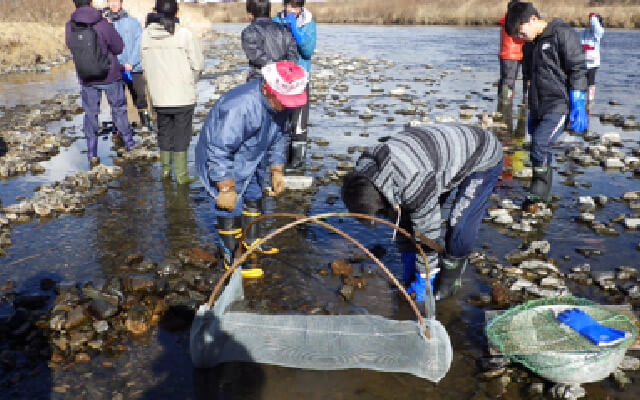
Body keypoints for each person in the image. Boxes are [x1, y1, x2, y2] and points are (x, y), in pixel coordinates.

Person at [341, 124, 503, 301]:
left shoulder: (413, 181)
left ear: (380, 198)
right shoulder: (365, 171)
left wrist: (425, 276)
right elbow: (401, 217)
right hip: (436, 159)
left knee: (459, 225)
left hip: (482, 154)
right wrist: (408, 253)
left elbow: (427, 234)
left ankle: (451, 276)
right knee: (414, 215)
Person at [195, 61, 308, 278]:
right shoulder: (240, 107)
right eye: (284, 101)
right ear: (267, 88)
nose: (287, 106)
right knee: (230, 206)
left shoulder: (280, 106)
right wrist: (225, 187)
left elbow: (278, 136)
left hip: (254, 152)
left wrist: (276, 169)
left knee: (255, 193)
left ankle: (252, 241)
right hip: (226, 159)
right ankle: (232, 258)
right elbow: (218, 150)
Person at [505, 2, 587, 207]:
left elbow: (577, 67)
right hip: (538, 105)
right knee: (539, 147)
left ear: (533, 19)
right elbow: (529, 76)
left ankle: (538, 191)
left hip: (559, 104)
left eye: (521, 32)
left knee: (540, 144)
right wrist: (529, 104)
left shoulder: (562, 34)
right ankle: (542, 193)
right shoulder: (530, 44)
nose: (520, 37)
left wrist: (578, 100)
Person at [65, 0, 135, 168]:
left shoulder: (70, 25)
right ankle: (130, 145)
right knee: (118, 109)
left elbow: (70, 45)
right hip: (109, 74)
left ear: (74, 3)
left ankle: (92, 154)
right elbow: (118, 47)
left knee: (90, 114)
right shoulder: (102, 22)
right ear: (90, 2)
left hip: (86, 76)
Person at [141, 0, 204, 184]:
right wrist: (189, 81)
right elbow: (198, 65)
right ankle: (182, 175)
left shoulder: (146, 35)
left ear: (156, 11)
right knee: (181, 136)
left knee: (164, 132)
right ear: (177, 12)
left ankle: (165, 172)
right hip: (182, 95)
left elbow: (144, 64)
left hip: (159, 96)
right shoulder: (184, 34)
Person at [272, 0, 316, 170]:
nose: (291, 10)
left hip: (300, 80)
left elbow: (308, 50)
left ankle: (297, 162)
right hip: (281, 80)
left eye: (295, 6)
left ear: (301, 6)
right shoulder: (276, 21)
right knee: (281, 121)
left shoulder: (308, 23)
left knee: (298, 121)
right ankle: (280, 159)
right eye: (288, 5)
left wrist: (296, 31)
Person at [105, 0, 152, 130]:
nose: (113, 4)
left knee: (140, 97)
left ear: (121, 2)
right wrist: (116, 63)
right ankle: (120, 127)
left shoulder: (133, 22)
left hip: (134, 68)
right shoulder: (104, 24)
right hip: (115, 69)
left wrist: (131, 62)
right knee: (117, 100)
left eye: (116, 1)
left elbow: (139, 44)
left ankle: (146, 124)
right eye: (110, 1)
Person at [241, 0, 298, 82]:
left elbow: (255, 56)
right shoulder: (285, 30)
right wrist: (283, 69)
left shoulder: (249, 31)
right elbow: (293, 56)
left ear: (250, 14)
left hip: (259, 80)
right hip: (283, 80)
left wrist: (274, 67)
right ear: (269, 11)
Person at [498, 0, 524, 105]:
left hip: (507, 54)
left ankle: (503, 103)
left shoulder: (506, 18)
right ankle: (506, 104)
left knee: (506, 80)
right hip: (512, 54)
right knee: (509, 80)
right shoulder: (512, 20)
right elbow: (517, 36)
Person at [580, 12, 605, 114]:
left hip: (593, 63)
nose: (590, 22)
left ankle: (590, 101)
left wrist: (593, 18)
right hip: (582, 61)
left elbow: (596, 27)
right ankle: (581, 100)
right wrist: (583, 46)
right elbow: (579, 41)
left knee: (591, 82)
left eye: (592, 21)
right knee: (581, 81)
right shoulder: (585, 31)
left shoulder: (599, 32)